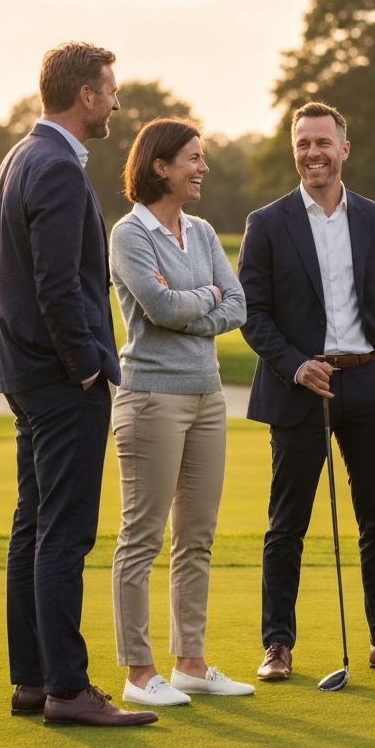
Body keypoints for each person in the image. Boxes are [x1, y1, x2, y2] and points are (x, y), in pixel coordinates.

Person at [0, 41, 156, 727]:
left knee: (33, 525)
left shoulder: (18, 158)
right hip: (62, 380)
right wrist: (87, 365)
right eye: (110, 90)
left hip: (25, 374)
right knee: (64, 533)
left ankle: (33, 681)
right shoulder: (57, 167)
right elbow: (56, 284)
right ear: (85, 95)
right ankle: (67, 687)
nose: (116, 101)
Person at [238, 101, 375, 680]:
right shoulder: (267, 223)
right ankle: (277, 645)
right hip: (298, 387)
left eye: (323, 142)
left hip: (369, 382)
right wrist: (296, 366)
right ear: (294, 151)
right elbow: (252, 313)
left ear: (344, 148)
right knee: (286, 524)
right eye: (303, 144)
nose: (313, 153)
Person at [109, 117, 253, 705]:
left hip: (207, 396)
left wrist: (197, 304)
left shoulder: (202, 230)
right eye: (193, 158)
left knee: (196, 536)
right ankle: (139, 673)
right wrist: (204, 299)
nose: (203, 168)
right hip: (151, 398)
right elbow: (161, 308)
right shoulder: (130, 234)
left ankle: (190, 663)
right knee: (142, 537)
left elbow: (237, 304)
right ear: (160, 166)